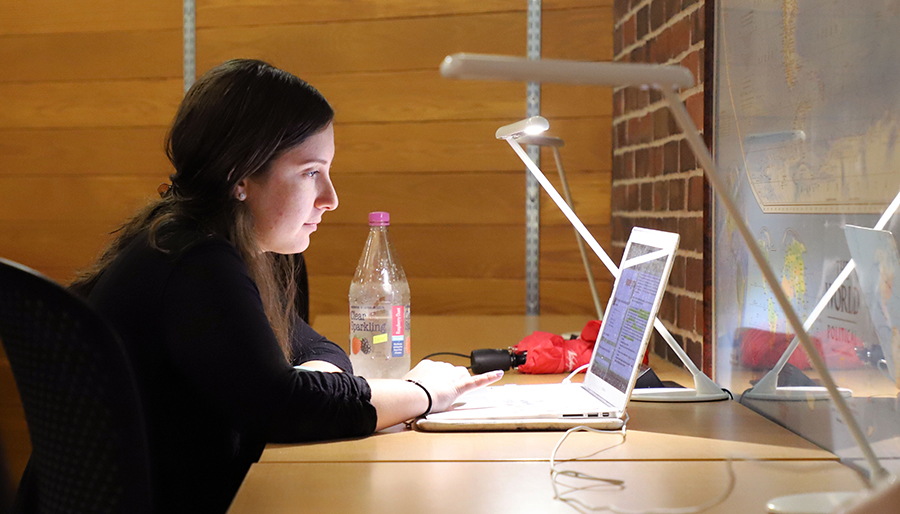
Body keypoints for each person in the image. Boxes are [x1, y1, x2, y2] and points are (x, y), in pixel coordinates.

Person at [67, 59, 502, 514]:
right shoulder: (196, 261)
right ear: (241, 175)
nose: (331, 198)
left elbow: (315, 349)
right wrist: (425, 394)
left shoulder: (231, 243)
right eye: (311, 172)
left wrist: (315, 388)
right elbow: (285, 409)